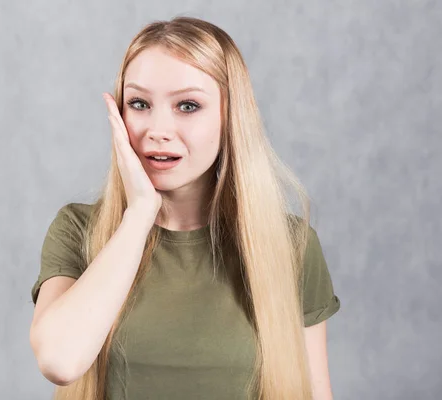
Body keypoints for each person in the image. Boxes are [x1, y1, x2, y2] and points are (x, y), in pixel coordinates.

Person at [29, 15, 341, 400]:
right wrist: (141, 213)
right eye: (139, 103)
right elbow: (60, 361)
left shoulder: (290, 244)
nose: (157, 129)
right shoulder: (78, 229)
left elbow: (314, 392)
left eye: (188, 105)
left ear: (230, 118)